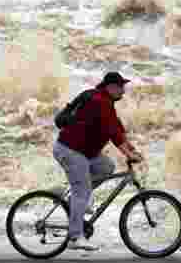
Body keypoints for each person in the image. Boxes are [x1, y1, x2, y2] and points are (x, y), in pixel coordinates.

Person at [52, 71, 144, 251]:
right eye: (121, 87)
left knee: (106, 166)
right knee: (82, 190)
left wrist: (131, 149)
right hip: (70, 150)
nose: (123, 91)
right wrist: (128, 154)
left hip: (84, 152)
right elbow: (113, 133)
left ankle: (73, 200)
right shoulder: (99, 102)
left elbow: (117, 129)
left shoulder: (106, 102)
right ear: (111, 87)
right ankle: (75, 237)